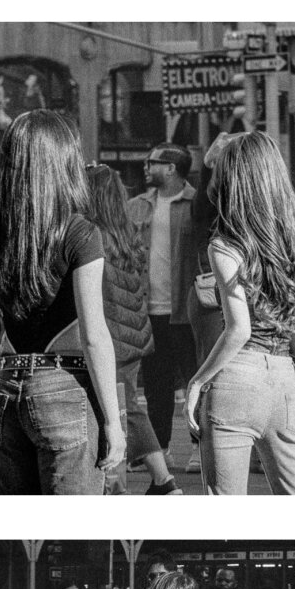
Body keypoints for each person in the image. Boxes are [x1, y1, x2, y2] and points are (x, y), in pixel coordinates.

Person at [0, 110, 125, 494]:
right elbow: (94, 336)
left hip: (5, 389)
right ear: (63, 162)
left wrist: (15, 367)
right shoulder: (80, 234)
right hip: (66, 386)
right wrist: (114, 423)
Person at [185, 131, 295, 495]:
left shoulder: (226, 245)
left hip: (235, 379)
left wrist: (198, 381)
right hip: (283, 378)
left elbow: (238, 329)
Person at [84, 163, 180, 494]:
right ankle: (162, 483)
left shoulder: (92, 237)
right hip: (134, 334)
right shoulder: (126, 232)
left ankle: (121, 487)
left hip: (111, 338)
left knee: (117, 412)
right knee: (128, 408)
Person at [127, 143, 200, 472]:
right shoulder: (137, 206)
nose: (146, 166)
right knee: (156, 386)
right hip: (148, 310)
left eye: (152, 162)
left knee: (196, 382)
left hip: (187, 309)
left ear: (171, 168)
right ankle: (159, 450)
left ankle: (201, 448)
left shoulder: (196, 204)